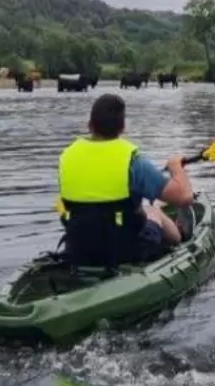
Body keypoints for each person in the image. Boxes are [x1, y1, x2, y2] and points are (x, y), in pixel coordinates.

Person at [57, 92, 195, 270]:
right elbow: (184, 197)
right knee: (153, 210)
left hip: (78, 249)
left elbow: (74, 202)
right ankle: (180, 239)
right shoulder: (134, 162)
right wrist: (176, 167)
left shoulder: (67, 158)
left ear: (89, 125)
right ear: (122, 128)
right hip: (126, 251)